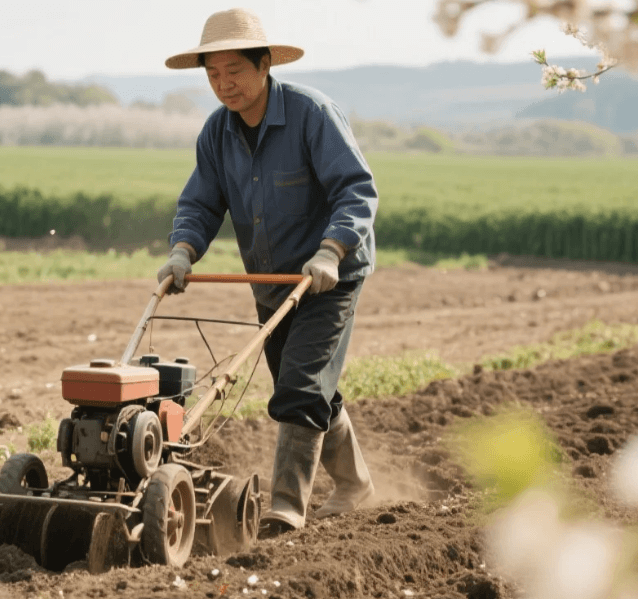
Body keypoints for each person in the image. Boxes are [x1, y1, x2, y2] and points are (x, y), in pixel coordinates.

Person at [156, 8, 379, 537]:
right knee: (309, 386)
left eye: (234, 70)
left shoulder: (310, 114)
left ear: (264, 65)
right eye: (212, 74)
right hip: (271, 281)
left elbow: (356, 188)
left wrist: (330, 251)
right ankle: (356, 485)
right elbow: (201, 202)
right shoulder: (216, 133)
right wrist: (183, 251)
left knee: (301, 386)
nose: (223, 84)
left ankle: (285, 510)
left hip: (329, 275)